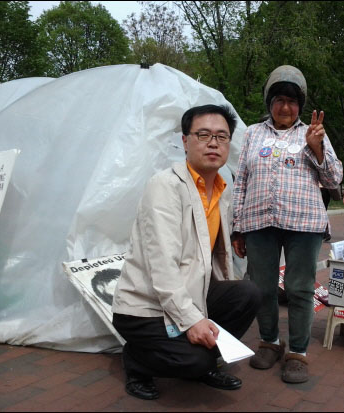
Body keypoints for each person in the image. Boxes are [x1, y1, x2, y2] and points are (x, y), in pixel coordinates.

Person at [111, 105, 261, 400]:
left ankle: (199, 359)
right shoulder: (165, 187)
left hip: (192, 293)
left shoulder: (221, 188)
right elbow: (163, 265)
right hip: (145, 307)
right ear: (185, 141)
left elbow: (218, 257)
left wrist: (208, 315)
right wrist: (192, 320)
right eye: (203, 134)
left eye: (221, 136)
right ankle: (137, 360)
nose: (213, 143)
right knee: (196, 361)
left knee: (248, 294)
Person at [231, 65, 343, 384]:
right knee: (261, 287)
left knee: (299, 288)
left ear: (300, 106)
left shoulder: (314, 133)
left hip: (304, 223)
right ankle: (269, 341)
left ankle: (297, 352)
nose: (285, 107)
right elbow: (241, 182)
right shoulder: (252, 133)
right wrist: (237, 226)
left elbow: (334, 179)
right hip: (258, 221)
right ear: (269, 101)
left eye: (292, 101)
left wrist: (316, 147)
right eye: (279, 99)